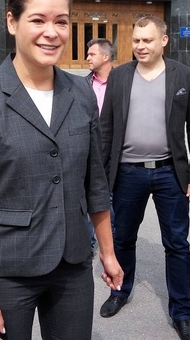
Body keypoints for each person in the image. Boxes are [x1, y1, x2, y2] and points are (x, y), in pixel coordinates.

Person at [0, 0, 123, 340]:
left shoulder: (81, 92)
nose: (52, 32)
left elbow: (95, 183)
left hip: (73, 264)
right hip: (8, 269)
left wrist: (107, 252)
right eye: (38, 20)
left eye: (61, 21)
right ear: (12, 22)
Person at [98, 16, 190, 340]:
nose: (140, 46)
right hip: (127, 173)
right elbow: (106, 128)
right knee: (122, 238)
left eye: (147, 40)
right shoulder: (119, 76)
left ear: (163, 40)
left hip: (170, 173)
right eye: (136, 40)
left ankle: (181, 312)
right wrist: (101, 174)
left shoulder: (183, 75)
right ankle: (120, 291)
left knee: (177, 244)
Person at [84, 37, 115, 251]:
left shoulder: (123, 82)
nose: (87, 58)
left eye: (91, 54)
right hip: (89, 151)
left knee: (111, 200)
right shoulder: (82, 85)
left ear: (105, 56)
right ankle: (88, 244)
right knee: (88, 196)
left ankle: (111, 245)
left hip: (114, 153)